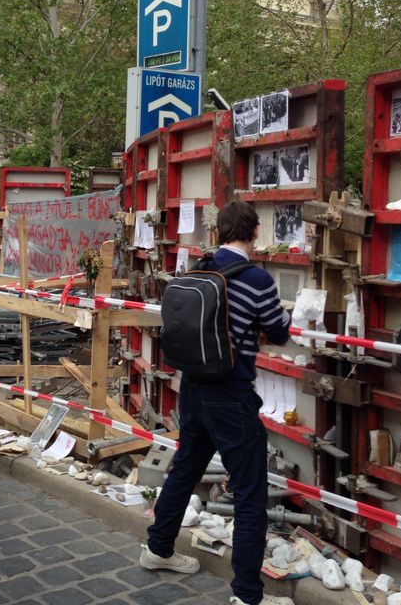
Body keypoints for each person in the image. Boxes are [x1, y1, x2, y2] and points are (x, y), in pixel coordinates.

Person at [141, 200, 293, 605]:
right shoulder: (258, 279)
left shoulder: (199, 268)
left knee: (184, 470)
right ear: (254, 232)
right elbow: (279, 331)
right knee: (249, 494)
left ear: (219, 232)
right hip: (231, 396)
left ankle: (157, 548)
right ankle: (247, 594)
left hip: (191, 387)